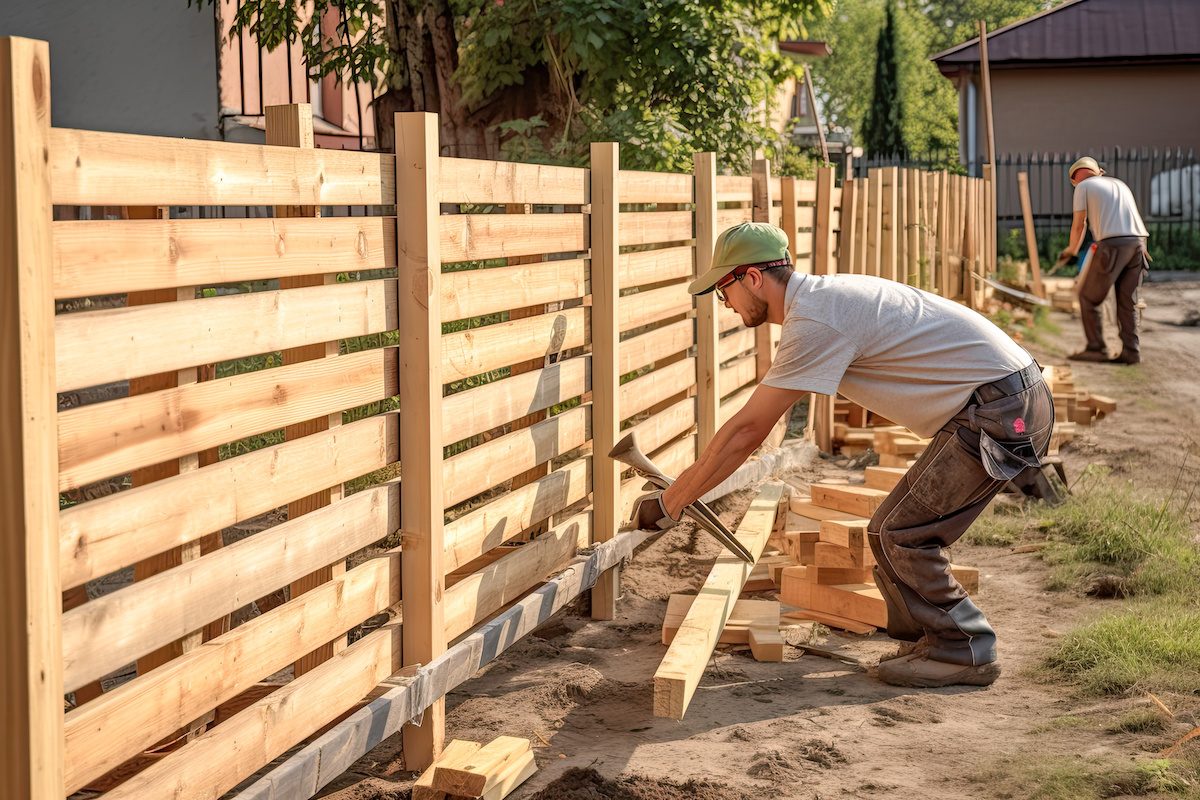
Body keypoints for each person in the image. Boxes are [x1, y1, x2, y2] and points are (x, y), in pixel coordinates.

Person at [632, 222, 1054, 688]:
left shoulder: (815, 320)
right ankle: (934, 642)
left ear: (752, 278)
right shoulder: (823, 299)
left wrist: (671, 505)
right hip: (1008, 399)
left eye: (723, 290)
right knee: (890, 532)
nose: (725, 304)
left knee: (902, 535)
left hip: (998, 412)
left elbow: (747, 431)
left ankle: (965, 650)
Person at [1058, 156, 1150, 364]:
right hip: (1138, 244)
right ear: (1099, 171)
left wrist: (1071, 251)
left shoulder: (1083, 187)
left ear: (1074, 179)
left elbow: (1079, 225)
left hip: (1112, 245)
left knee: (1087, 297)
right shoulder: (1119, 184)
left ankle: (1096, 348)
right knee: (1128, 302)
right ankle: (1131, 352)